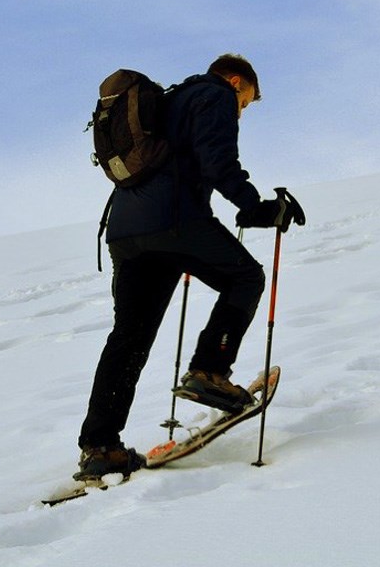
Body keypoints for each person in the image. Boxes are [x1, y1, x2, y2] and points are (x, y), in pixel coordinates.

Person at [75, 54, 304, 480]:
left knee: (129, 339)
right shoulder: (214, 95)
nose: (243, 109)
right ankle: (210, 372)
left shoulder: (168, 100)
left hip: (126, 234)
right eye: (247, 102)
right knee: (246, 277)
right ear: (236, 81)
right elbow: (217, 159)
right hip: (176, 222)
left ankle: (100, 446)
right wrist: (255, 207)